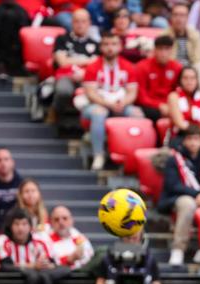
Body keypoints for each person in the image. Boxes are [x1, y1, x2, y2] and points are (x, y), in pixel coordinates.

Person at [158, 125, 200, 266]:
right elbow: (173, 185)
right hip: (177, 199)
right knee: (188, 204)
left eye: (196, 139)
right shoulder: (174, 159)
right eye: (190, 139)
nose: (193, 142)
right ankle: (178, 249)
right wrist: (196, 195)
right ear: (184, 141)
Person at [81, 32, 142, 171]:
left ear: (120, 47)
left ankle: (133, 156)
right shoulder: (93, 67)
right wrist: (108, 104)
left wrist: (123, 103)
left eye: (114, 44)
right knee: (99, 113)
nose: (110, 48)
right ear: (101, 47)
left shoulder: (128, 67)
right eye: (106, 44)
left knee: (137, 113)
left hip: (121, 104)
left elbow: (132, 92)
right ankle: (98, 155)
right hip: (96, 105)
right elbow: (90, 94)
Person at [0, 208, 69, 284]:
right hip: (18, 279)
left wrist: (46, 265)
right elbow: (5, 266)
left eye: (24, 224)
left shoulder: (40, 241)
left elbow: (51, 263)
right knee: (32, 275)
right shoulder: (3, 240)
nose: (20, 228)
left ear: (31, 227)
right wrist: (33, 266)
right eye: (16, 224)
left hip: (42, 274)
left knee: (65, 270)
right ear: (10, 226)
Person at [52, 9, 99, 123]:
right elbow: (62, 62)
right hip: (66, 75)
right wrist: (87, 60)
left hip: (87, 77)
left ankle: (85, 125)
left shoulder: (95, 44)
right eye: (77, 21)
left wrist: (72, 60)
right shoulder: (62, 39)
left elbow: (97, 65)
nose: (80, 24)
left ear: (89, 23)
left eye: (83, 21)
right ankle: (55, 113)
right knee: (64, 90)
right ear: (72, 22)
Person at [135, 35, 183, 124]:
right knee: (153, 112)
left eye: (167, 49)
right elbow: (141, 97)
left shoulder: (177, 67)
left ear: (171, 50)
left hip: (169, 105)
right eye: (160, 49)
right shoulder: (142, 67)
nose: (163, 53)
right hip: (149, 106)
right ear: (154, 50)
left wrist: (170, 106)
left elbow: (179, 92)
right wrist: (159, 105)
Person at [167, 67, 200, 145]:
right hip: (181, 135)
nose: (189, 81)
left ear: (197, 80)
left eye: (192, 78)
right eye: (185, 78)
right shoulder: (173, 96)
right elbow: (179, 123)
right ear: (180, 80)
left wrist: (197, 134)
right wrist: (194, 134)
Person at [44, 205, 94, 270]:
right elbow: (50, 265)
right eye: (56, 220)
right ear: (51, 223)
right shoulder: (46, 240)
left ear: (71, 220)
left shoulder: (77, 235)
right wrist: (69, 259)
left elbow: (90, 256)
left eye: (65, 218)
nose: (61, 222)